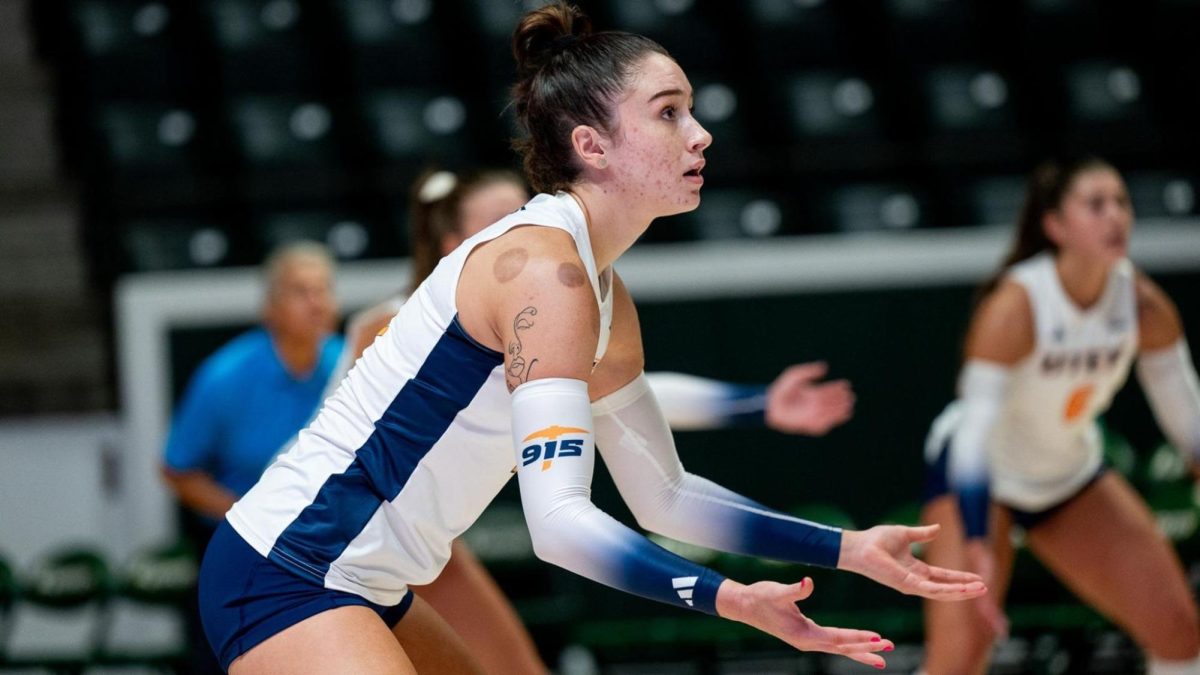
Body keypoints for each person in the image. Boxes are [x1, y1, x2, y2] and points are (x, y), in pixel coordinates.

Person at [198, 4, 985, 673]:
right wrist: (727, 597)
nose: (702, 134)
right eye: (669, 111)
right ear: (591, 144)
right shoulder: (548, 273)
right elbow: (559, 525)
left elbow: (664, 495)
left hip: (370, 577)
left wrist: (847, 549)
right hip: (288, 568)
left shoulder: (600, 288)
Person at [332, 167, 856, 674]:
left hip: (413, 545)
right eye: (501, 218)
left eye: (523, 209)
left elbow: (600, 397)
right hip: (346, 532)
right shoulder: (397, 322)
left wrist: (755, 403)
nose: (524, 225)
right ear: (452, 242)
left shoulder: (537, 302)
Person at [917, 157, 1200, 675]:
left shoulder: (1143, 304)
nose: (1115, 216)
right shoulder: (1017, 305)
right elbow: (973, 436)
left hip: (1067, 476)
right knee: (957, 660)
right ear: (1055, 225)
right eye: (1096, 204)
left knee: (1181, 635)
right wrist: (977, 541)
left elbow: (1190, 425)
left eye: (1122, 202)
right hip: (980, 481)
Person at [161, 241, 343, 673]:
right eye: (302, 291)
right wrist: (246, 514)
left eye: (324, 289)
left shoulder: (353, 364)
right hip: (241, 545)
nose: (316, 303)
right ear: (270, 308)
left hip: (331, 543)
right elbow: (175, 469)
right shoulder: (225, 376)